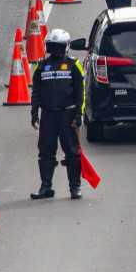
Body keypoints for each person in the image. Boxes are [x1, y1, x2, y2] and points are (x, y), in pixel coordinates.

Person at [30, 29, 85, 200]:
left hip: (67, 115)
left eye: (58, 46)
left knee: (72, 153)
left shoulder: (73, 64)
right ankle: (46, 187)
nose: (54, 50)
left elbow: (80, 92)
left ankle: (74, 188)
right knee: (45, 152)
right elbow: (36, 92)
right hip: (48, 115)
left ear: (66, 47)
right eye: (52, 46)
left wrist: (78, 115)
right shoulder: (41, 66)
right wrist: (34, 113)